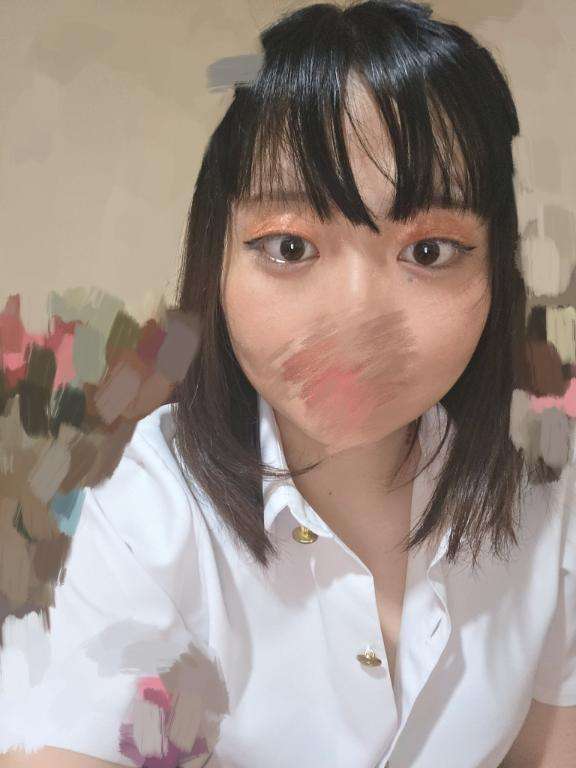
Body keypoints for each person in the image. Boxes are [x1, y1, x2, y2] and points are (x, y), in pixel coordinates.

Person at [1, 1, 575, 766]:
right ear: (218, 261)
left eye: (430, 251)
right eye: (290, 246)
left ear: (496, 271)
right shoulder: (141, 511)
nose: (356, 317)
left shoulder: (548, 485)